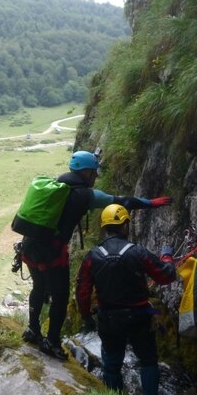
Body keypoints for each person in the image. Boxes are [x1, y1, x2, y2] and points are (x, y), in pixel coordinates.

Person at [20, 150, 171, 361]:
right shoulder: (87, 195)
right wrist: (149, 203)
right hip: (52, 253)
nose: (96, 176)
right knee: (61, 298)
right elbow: (122, 201)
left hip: (29, 247)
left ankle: (33, 330)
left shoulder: (55, 185)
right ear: (87, 172)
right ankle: (52, 341)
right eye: (94, 172)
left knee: (38, 287)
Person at [75, 203, 176, 395]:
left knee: (111, 365)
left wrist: (86, 316)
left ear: (105, 227)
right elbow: (166, 275)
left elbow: (83, 291)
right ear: (125, 226)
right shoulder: (137, 252)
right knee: (148, 361)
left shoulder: (92, 256)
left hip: (108, 319)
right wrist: (167, 257)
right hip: (139, 316)